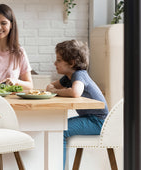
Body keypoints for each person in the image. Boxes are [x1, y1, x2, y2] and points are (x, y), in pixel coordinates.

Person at [46, 39, 109, 169]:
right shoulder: (68, 77)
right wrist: (53, 89)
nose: (54, 63)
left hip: (98, 122)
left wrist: (55, 91)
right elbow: (50, 86)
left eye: (58, 60)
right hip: (90, 119)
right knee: (58, 127)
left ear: (72, 62)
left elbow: (75, 92)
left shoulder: (79, 75)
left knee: (61, 131)